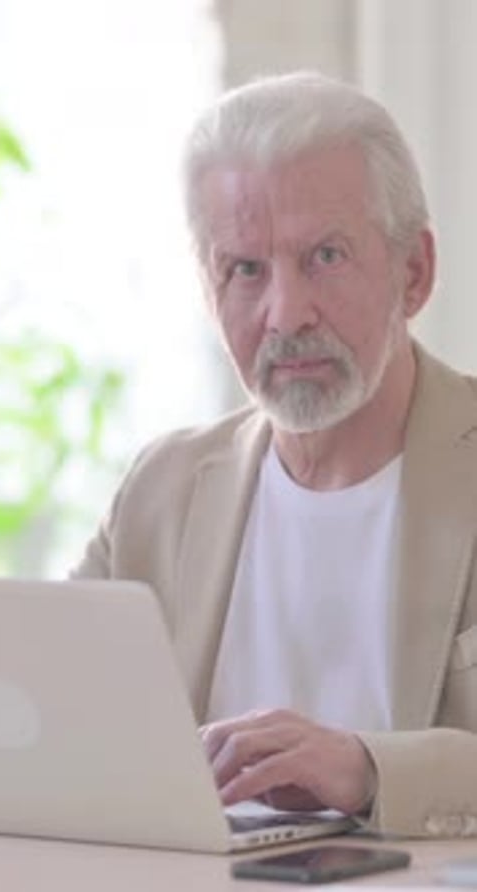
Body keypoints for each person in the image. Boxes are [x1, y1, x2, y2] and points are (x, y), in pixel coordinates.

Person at [72, 71, 477, 838]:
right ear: (207, 289)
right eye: (245, 270)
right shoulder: (160, 488)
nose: (285, 314)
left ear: (413, 273)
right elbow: (49, 718)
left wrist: (364, 768)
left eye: (325, 256)